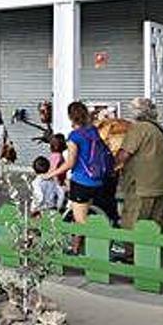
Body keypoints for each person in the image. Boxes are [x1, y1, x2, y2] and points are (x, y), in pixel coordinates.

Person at [44, 102, 114, 254]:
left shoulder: (74, 137)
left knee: (81, 221)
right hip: (97, 180)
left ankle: (99, 248)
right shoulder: (93, 131)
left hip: (81, 181)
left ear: (70, 117)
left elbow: (70, 163)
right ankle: (75, 248)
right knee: (80, 216)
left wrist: (50, 174)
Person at [116, 97, 163, 234]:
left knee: (133, 222)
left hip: (142, 186)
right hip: (161, 184)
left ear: (137, 112)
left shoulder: (139, 128)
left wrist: (110, 166)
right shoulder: (160, 128)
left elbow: (124, 155)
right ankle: (155, 252)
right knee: (156, 223)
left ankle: (132, 254)